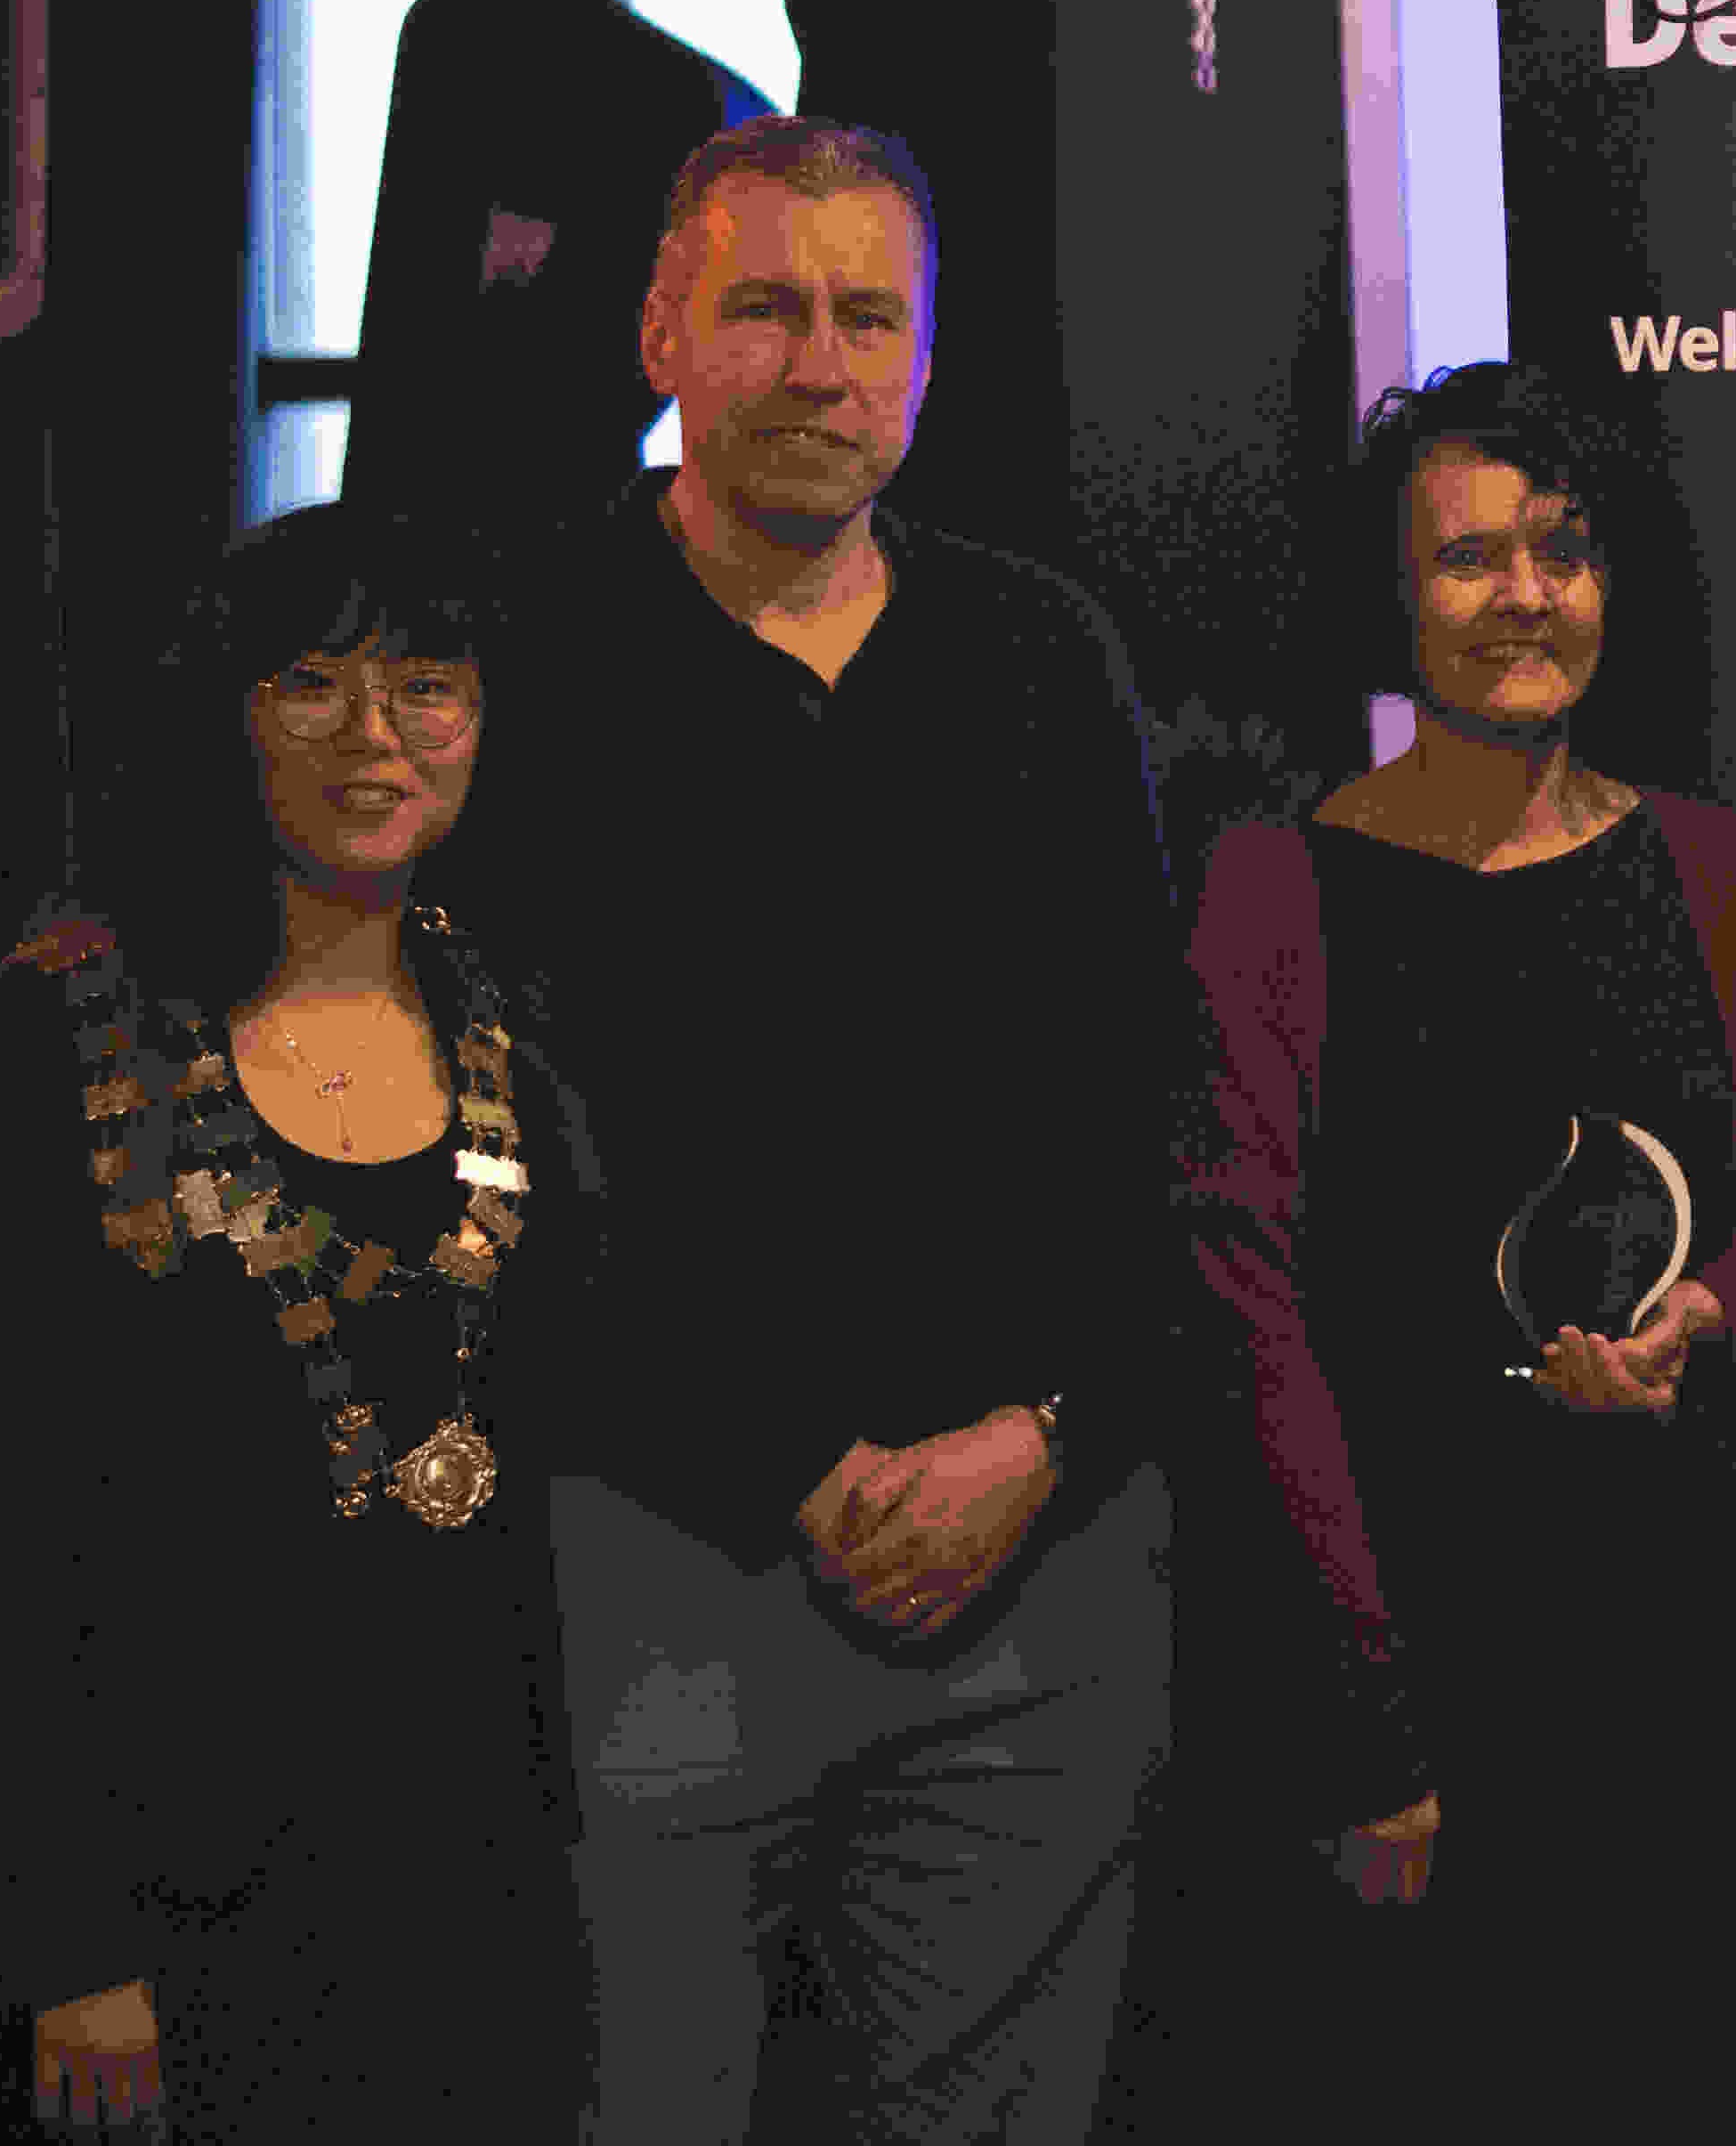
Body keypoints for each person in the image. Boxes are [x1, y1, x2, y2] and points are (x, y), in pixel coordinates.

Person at [444, 116, 1194, 2145]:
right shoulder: (510, 656)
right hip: (658, 1560)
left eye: (871, 319)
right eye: (766, 307)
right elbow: (489, 1139)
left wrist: (1050, 1429)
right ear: (660, 331)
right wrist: (787, 1456)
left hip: (1037, 1568)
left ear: (927, 361)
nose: (819, 365)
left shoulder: (1041, 651)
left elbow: (1147, 1095)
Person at [1172, 361, 1736, 2118]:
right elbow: (1247, 1315)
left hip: (1697, 1662)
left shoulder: (1723, 876)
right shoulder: (1276, 891)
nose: (1526, 595)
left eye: (1563, 550)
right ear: (1393, 597)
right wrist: (1365, 1723)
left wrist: (1712, 1315)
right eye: (1469, 556)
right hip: (1413, 1672)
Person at [0, 501, 604, 2141]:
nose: (375, 733)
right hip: (175, 1882)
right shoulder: (55, 1039)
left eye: (425, 684)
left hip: (486, 1863)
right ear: (226, 714)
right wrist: (73, 1938)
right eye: (311, 682)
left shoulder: (519, 1024)